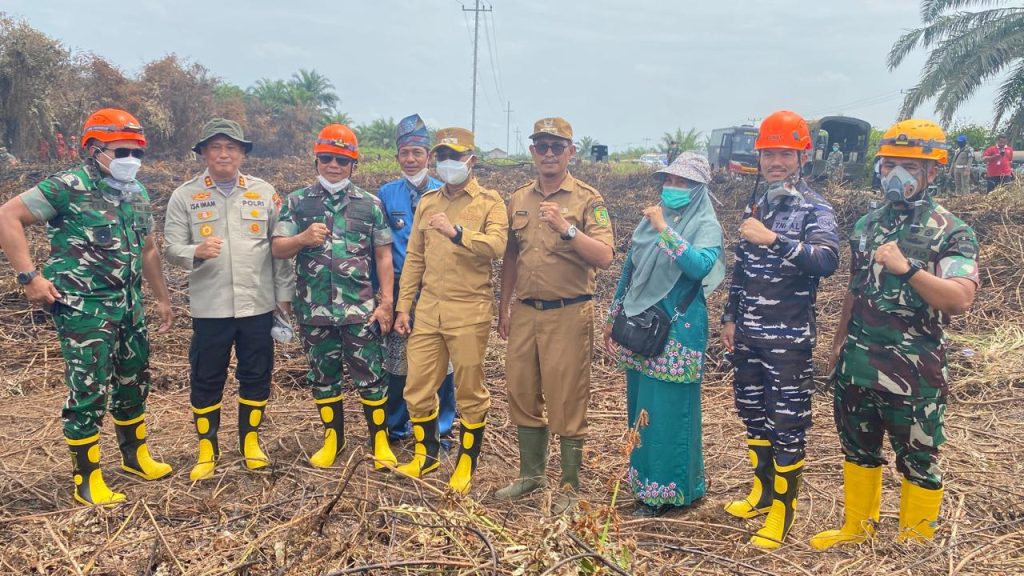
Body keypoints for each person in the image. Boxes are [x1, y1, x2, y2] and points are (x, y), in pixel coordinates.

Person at [810, 119, 979, 549]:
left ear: (933, 172)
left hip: (915, 372)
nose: (895, 174)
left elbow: (959, 299)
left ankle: (914, 544)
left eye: (909, 166)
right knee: (857, 449)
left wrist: (908, 270)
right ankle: (856, 529)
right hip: (859, 364)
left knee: (919, 459)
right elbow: (855, 289)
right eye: (889, 165)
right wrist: (838, 345)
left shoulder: (952, 231)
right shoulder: (867, 225)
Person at [0, 108, 174, 505]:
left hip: (129, 307)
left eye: (137, 152)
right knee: (89, 390)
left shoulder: (137, 192)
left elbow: (148, 249)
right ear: (94, 149)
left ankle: (135, 456)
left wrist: (162, 298)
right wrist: (29, 277)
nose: (131, 160)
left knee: (133, 381)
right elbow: (7, 216)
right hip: (86, 310)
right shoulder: (68, 186)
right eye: (122, 151)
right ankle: (87, 478)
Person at [720, 110, 840, 549]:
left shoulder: (815, 208)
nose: (775, 162)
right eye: (768, 154)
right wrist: (730, 317)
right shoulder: (758, 205)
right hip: (749, 335)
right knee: (752, 414)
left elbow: (827, 260)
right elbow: (741, 269)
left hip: (787, 341)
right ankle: (762, 493)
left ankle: (782, 513)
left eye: (784, 154)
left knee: (786, 423)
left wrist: (774, 240)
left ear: (801, 157)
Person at [163, 118, 294, 481]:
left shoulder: (264, 193)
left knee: (256, 374)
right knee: (206, 377)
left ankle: (250, 442)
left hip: (257, 304)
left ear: (242, 154)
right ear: (204, 153)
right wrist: (195, 251)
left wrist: (283, 297)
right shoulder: (184, 196)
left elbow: (280, 249)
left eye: (231, 148)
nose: (224, 154)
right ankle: (208, 449)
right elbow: (171, 248)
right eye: (216, 148)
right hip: (211, 307)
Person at [496, 117, 615, 513]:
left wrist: (567, 229)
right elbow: (511, 256)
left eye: (557, 146)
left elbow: (605, 256)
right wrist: (504, 306)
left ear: (570, 152)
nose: (549, 153)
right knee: (521, 390)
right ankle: (531, 475)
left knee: (566, 396)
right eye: (542, 146)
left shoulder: (587, 199)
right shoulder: (518, 198)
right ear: (532, 151)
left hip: (568, 311)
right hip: (526, 311)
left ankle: (568, 484)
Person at [271, 124, 398, 470]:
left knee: (371, 376)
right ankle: (333, 439)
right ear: (316, 160)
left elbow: (384, 255)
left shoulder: (370, 205)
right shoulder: (297, 202)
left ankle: (380, 441)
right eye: (327, 158)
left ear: (353, 165)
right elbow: (278, 248)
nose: (334, 166)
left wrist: (386, 303)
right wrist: (302, 239)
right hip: (314, 310)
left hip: (360, 310)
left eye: (342, 160)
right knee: (323, 377)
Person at [604, 152, 725, 517]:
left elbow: (699, 267)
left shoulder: (705, 225)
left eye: (682, 182)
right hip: (640, 327)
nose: (672, 187)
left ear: (698, 189)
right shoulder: (649, 224)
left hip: (678, 332)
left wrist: (664, 231)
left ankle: (672, 493)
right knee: (641, 408)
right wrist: (613, 315)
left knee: (670, 412)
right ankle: (644, 485)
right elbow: (630, 270)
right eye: (669, 180)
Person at [393, 127, 507, 494]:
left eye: (455, 156)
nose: (447, 163)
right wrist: (403, 307)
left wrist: (457, 233)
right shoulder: (428, 202)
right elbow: (415, 258)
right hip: (428, 309)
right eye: (441, 156)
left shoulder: (489, 202)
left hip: (469, 309)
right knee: (417, 386)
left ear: (471, 160)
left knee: (469, 390)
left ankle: (465, 464)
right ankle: (426, 455)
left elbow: (497, 247)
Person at [376, 114, 457, 442]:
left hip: (439, 288)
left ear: (428, 157)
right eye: (404, 153)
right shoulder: (386, 194)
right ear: (397, 156)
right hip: (400, 288)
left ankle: (441, 429)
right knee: (397, 361)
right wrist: (383, 297)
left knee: (443, 360)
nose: (410, 160)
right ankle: (396, 426)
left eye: (417, 153)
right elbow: (379, 248)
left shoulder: (445, 192)